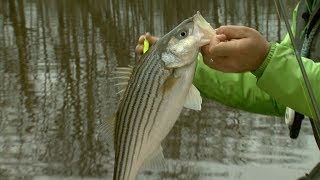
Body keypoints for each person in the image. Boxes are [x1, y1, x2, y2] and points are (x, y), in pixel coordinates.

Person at [135, 1, 320, 177]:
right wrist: (184, 66)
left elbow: (284, 75)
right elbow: (284, 91)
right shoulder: (307, 7)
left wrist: (264, 60)